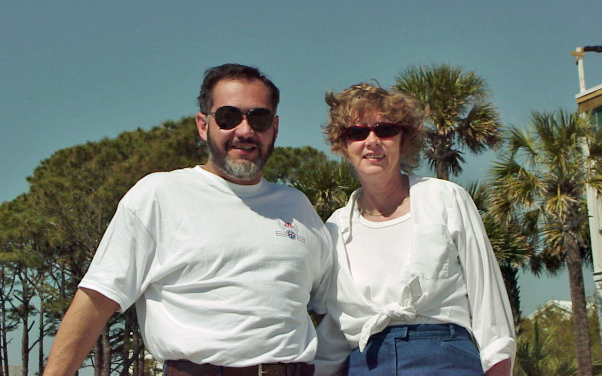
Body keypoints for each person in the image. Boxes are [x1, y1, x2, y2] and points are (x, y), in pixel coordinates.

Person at [43, 64, 333, 376]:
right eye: (228, 117)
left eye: (258, 118)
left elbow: (333, 305)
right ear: (202, 124)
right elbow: (97, 299)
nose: (245, 131)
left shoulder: (297, 207)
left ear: (274, 127)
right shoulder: (159, 195)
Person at [313, 83, 516, 376]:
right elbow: (336, 326)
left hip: (447, 358)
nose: (372, 141)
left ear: (403, 138)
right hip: (364, 363)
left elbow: (488, 301)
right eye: (357, 132)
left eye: (384, 130)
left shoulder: (446, 199)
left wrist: (497, 363)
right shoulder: (335, 227)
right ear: (343, 145)